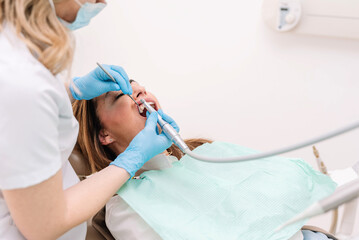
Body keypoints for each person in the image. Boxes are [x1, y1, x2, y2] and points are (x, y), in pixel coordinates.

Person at [72, 81, 338, 240]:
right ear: (104, 134)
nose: (139, 90)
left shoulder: (205, 154)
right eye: (121, 95)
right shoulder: (125, 205)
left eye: (137, 83)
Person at [0, 1, 175, 239]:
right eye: (122, 95)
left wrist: (71, 90)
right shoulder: (21, 80)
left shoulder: (19, 64)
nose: (101, 3)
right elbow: (43, 224)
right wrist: (130, 159)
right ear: (104, 135)